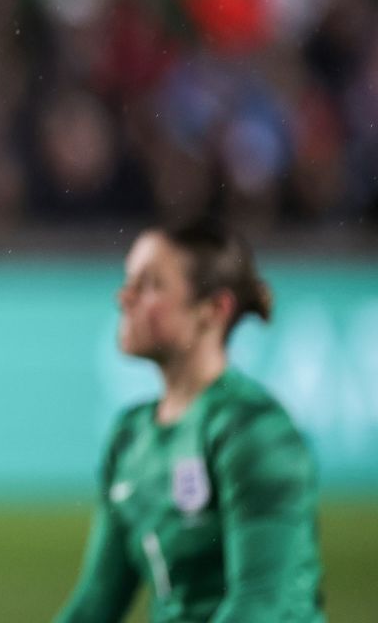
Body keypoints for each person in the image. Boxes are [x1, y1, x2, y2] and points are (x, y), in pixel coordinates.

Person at [55, 221, 323, 622]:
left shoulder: (254, 431)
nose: (124, 297)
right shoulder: (130, 437)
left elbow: (262, 603)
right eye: (129, 280)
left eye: (150, 285)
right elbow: (96, 601)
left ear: (212, 310)